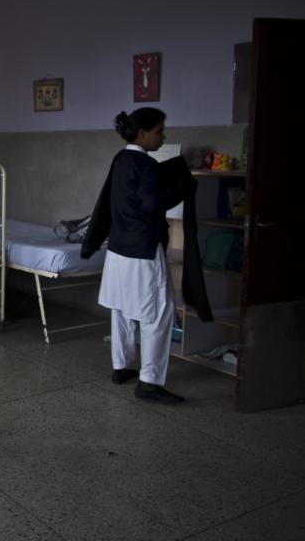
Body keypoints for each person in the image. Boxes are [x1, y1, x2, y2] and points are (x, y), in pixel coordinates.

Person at [88, 108, 184, 403]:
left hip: (118, 248)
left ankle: (122, 367)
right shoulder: (145, 164)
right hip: (142, 249)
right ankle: (149, 383)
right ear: (142, 134)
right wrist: (181, 188)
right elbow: (152, 205)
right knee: (157, 312)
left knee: (122, 308)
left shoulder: (121, 159)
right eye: (159, 131)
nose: (163, 136)